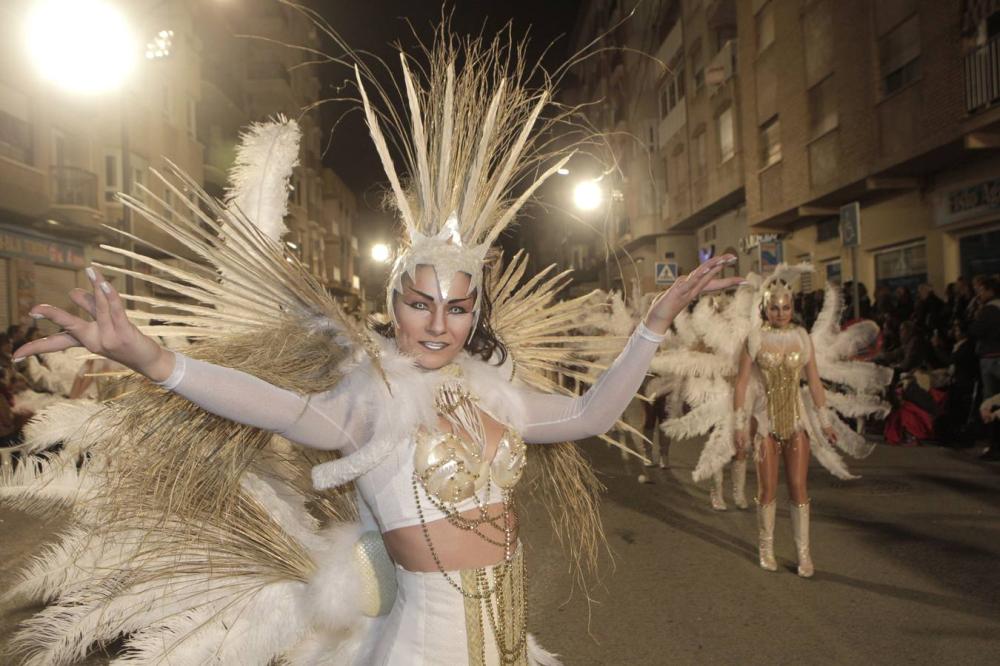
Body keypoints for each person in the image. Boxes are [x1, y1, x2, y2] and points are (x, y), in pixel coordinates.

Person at [11, 30, 743, 664]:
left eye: (458, 308)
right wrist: (155, 360)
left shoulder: (494, 392)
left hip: (509, 632)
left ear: (476, 313)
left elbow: (588, 415)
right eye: (419, 303)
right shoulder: (370, 401)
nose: (438, 324)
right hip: (426, 646)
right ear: (392, 306)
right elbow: (276, 406)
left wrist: (651, 327)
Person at [732, 278, 838, 578]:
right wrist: (740, 425)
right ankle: (765, 549)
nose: (780, 313)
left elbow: (814, 381)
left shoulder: (802, 337)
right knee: (767, 488)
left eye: (786, 307)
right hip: (764, 420)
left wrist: (825, 421)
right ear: (765, 309)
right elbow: (741, 383)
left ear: (792, 308)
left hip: (795, 420)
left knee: (798, 486)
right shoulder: (754, 338)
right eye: (774, 308)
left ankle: (804, 554)